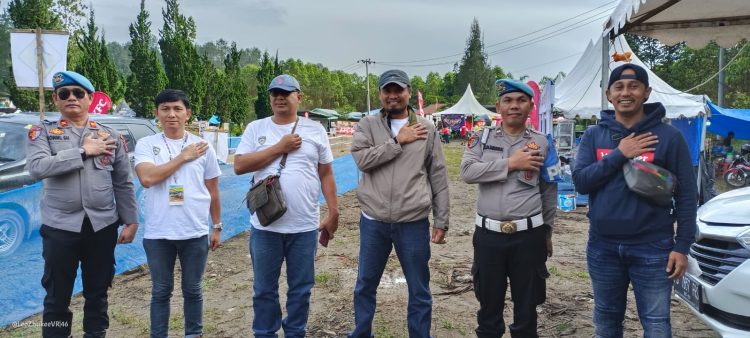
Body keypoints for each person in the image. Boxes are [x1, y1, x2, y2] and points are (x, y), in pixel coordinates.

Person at [573, 64, 697, 337]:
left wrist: (683, 245)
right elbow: (581, 181)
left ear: (646, 92)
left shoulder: (668, 137)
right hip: (602, 247)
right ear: (609, 94)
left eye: (633, 86)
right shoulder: (594, 135)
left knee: (656, 324)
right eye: (618, 87)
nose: (625, 92)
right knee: (606, 321)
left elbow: (687, 195)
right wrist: (620, 153)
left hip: (653, 249)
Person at [26, 71, 138, 338]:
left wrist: (131, 220)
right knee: (57, 295)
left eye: (78, 93)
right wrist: (83, 151)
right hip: (60, 227)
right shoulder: (42, 132)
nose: (72, 98)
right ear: (56, 100)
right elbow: (37, 168)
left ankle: (95, 334)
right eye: (64, 94)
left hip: (102, 226)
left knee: (97, 292)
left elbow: (123, 181)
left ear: (90, 98)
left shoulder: (109, 134)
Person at [233, 74, 339, 337]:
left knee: (301, 288)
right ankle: (265, 333)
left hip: (304, 226)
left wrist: (334, 210)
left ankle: (295, 332)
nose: (280, 97)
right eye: (275, 93)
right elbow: (239, 166)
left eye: (286, 92)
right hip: (265, 227)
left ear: (298, 97)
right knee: (264, 289)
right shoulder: (256, 128)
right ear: (270, 98)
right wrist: (279, 147)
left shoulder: (314, 130)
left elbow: (326, 173)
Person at [349, 69, 450, 338]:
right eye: (387, 90)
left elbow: (438, 174)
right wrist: (397, 141)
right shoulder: (367, 125)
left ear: (408, 91)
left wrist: (442, 219)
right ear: (381, 94)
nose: (393, 95)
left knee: (419, 288)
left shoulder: (427, 129)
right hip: (374, 221)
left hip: (413, 223)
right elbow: (362, 160)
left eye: (398, 90)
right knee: (365, 285)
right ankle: (361, 333)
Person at [460, 79, 556, 338]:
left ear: (531, 106)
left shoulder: (544, 142)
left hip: (529, 237)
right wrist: (510, 163)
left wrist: (547, 231)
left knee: (527, 311)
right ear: (498, 107)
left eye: (521, 100)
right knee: (489, 308)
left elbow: (549, 189)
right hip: (489, 237)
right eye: (508, 101)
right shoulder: (480, 138)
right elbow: (467, 172)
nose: (514, 106)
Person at [133, 89, 222, 338]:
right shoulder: (147, 144)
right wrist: (183, 157)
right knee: (161, 290)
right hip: (159, 233)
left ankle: (194, 334)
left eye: (177, 109)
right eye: (165, 109)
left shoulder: (203, 148)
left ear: (188, 113)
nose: (171, 114)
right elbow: (148, 178)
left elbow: (213, 190)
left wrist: (216, 226)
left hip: (193, 231)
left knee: (193, 289)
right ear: (156, 114)